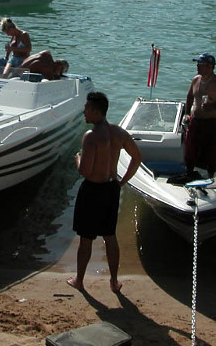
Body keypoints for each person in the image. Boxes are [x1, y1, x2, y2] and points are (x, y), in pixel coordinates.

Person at [68, 91, 142, 293]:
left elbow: (85, 171)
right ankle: (114, 282)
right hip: (111, 188)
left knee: (86, 237)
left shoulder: (91, 137)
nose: (83, 112)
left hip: (93, 189)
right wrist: (123, 181)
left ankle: (80, 280)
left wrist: (77, 159)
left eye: (86, 109)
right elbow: (137, 157)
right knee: (110, 236)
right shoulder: (119, 133)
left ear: (95, 111)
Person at [170, 53, 216, 184]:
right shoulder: (196, 80)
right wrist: (187, 113)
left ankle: (210, 175)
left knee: (211, 150)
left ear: (210, 66)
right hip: (196, 120)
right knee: (190, 148)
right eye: (197, 64)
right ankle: (189, 172)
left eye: (200, 64)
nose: (197, 67)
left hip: (211, 122)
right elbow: (189, 97)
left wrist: (215, 106)